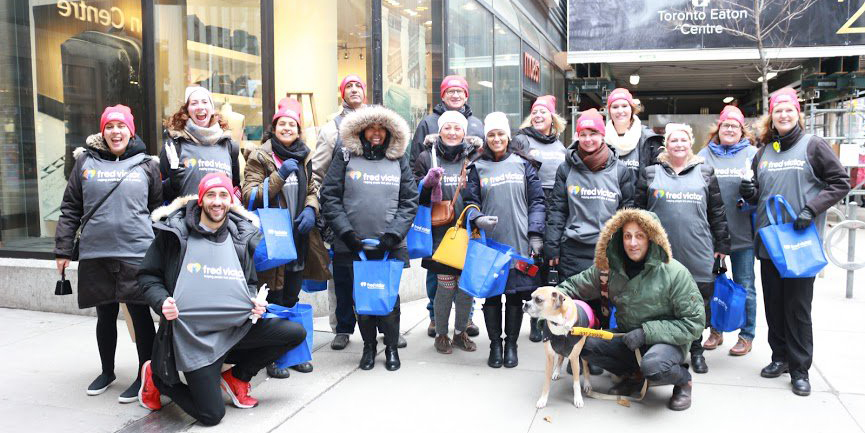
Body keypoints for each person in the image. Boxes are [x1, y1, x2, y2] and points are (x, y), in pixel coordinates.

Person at [136, 173, 306, 425]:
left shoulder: (240, 236)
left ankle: (237, 377)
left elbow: (247, 283)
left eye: (223, 195)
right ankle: (158, 378)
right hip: (191, 337)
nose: (217, 202)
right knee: (212, 415)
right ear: (202, 199)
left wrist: (253, 302)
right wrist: (162, 301)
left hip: (233, 330)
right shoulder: (174, 233)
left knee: (294, 332)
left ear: (231, 200)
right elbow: (147, 277)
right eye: (211, 195)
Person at [740, 87, 849, 396]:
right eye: (778, 110)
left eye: (789, 110)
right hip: (770, 243)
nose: (784, 115)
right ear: (771, 117)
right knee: (774, 306)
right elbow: (759, 190)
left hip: (799, 243)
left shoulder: (813, 145)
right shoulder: (764, 151)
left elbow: (840, 181)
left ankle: (800, 368)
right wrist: (751, 195)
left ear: (797, 113)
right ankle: (780, 357)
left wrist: (811, 208)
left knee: (797, 308)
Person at [54, 105, 161, 402]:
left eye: (121, 126)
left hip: (137, 251)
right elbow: (71, 208)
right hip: (96, 251)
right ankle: (107, 371)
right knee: (105, 313)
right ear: (103, 131)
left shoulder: (146, 164)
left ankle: (145, 376)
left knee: (140, 314)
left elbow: (155, 209)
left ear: (131, 130)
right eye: (110, 126)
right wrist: (62, 249)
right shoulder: (85, 162)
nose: (116, 131)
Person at [558, 208, 705, 411]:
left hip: (667, 341)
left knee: (653, 366)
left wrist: (647, 332)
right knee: (583, 344)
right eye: (627, 236)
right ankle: (633, 375)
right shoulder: (609, 269)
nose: (632, 243)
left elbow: (694, 324)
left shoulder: (675, 273)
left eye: (639, 236)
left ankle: (683, 381)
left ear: (651, 238)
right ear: (620, 238)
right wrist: (548, 305)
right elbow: (572, 286)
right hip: (627, 337)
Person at [320, 105, 418, 371]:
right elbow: (329, 195)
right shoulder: (346, 156)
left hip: (388, 244)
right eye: (371, 128)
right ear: (361, 130)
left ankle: (391, 348)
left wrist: (395, 233)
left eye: (381, 128)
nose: (376, 133)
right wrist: (346, 233)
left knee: (388, 298)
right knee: (361, 298)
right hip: (353, 244)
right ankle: (368, 346)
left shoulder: (398, 159)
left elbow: (409, 200)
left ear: (389, 132)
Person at [636, 123, 730, 374]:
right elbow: (636, 211)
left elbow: (717, 212)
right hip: (660, 252)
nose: (679, 144)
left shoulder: (705, 172)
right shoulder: (650, 173)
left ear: (690, 143)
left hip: (697, 248)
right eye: (674, 140)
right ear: (667, 144)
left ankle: (696, 350)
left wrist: (722, 244)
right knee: (660, 302)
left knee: (696, 303)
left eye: (683, 140)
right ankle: (664, 350)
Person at [242, 98, 318, 378]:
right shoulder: (259, 156)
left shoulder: (304, 156)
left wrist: (311, 208)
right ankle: (270, 357)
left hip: (298, 238)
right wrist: (279, 176)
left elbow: (312, 187)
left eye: (292, 124)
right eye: (282, 123)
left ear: (299, 130)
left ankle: (292, 353)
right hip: (272, 239)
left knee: (291, 296)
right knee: (272, 298)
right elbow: (249, 195)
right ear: (273, 128)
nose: (287, 128)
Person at [463, 112, 545, 369]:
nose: (496, 138)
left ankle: (511, 345)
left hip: (518, 242)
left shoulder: (524, 164)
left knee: (513, 297)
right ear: (486, 138)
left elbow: (537, 202)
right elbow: (470, 202)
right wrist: (476, 217)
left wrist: (535, 234)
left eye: (500, 134)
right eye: (491, 135)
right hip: (490, 245)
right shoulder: (477, 166)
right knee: (490, 298)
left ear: (508, 136)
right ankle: (495, 346)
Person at [545, 108, 634, 324]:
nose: (588, 139)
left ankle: (599, 354)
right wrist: (552, 246)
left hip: (607, 251)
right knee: (572, 309)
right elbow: (557, 210)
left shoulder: (620, 170)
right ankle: (574, 354)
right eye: (582, 134)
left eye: (593, 133)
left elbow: (628, 213)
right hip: (573, 250)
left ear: (603, 135)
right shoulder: (566, 169)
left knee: (605, 307)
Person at [308, 74, 374, 349]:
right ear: (342, 94)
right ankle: (343, 327)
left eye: (359, 85)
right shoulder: (331, 129)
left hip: (372, 214)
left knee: (374, 273)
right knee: (342, 276)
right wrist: (326, 209)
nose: (354, 89)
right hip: (341, 217)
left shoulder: (378, 123)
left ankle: (382, 324)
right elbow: (318, 172)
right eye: (349, 86)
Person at [413, 111, 482, 354]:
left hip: (467, 231)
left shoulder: (474, 157)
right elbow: (414, 194)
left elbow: (481, 193)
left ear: (464, 132)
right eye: (447, 127)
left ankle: (460, 332)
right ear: (439, 131)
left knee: (465, 287)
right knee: (445, 285)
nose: (452, 132)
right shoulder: (425, 157)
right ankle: (441, 334)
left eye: (457, 128)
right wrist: (428, 184)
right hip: (439, 233)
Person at [697, 106, 759, 356]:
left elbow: (761, 192)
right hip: (713, 236)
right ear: (718, 128)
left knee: (745, 286)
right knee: (712, 286)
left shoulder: (753, 154)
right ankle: (715, 330)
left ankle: (747, 334)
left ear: (741, 129)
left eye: (734, 125)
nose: (730, 129)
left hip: (743, 234)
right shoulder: (704, 155)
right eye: (725, 125)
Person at [511, 95, 569, 342]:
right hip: (531, 202)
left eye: (543, 112)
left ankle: (548, 319)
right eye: (534, 112)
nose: (537, 116)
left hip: (555, 204)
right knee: (533, 262)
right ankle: (534, 321)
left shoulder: (560, 145)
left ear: (552, 117)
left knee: (550, 264)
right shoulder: (522, 139)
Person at [160, 86, 241, 202]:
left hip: (221, 217)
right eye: (194, 103)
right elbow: (158, 194)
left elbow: (235, 187)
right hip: (185, 218)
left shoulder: (229, 146)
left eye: (204, 102)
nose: (200, 107)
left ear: (212, 109)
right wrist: (172, 183)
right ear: (187, 110)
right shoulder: (174, 146)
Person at [409, 75, 484, 166]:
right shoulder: (427, 123)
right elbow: (415, 162)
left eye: (459, 91)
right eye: (451, 91)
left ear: (466, 96)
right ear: (443, 96)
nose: (455, 95)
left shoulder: (477, 124)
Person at [604, 88, 663, 181]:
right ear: (609, 111)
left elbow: (660, 175)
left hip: (640, 195)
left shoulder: (649, 139)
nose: (620, 111)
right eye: (615, 107)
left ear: (631, 109)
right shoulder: (601, 139)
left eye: (624, 106)